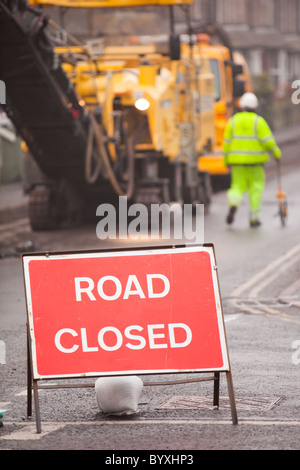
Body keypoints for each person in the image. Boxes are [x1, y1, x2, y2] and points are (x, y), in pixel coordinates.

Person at [223, 92, 281, 227]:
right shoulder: (258, 121)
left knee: (236, 187)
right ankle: (254, 218)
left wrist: (226, 161)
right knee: (256, 189)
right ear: (255, 107)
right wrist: (277, 155)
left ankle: (234, 204)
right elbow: (269, 142)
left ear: (242, 106)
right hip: (256, 164)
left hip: (237, 163)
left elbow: (226, 143)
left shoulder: (233, 121)